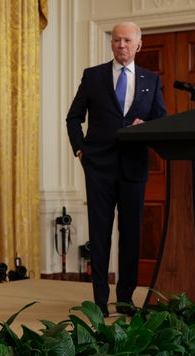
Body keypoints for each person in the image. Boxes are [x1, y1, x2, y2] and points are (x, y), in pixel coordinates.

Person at [66, 22, 167, 317]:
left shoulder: (152, 80)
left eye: (127, 40)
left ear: (139, 45)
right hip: (98, 165)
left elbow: (162, 121)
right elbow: (73, 118)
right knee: (100, 234)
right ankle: (99, 301)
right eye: (116, 40)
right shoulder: (93, 76)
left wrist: (146, 127)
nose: (121, 45)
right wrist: (80, 149)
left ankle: (125, 299)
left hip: (134, 166)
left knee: (131, 234)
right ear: (111, 44)